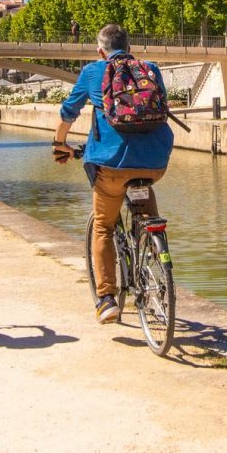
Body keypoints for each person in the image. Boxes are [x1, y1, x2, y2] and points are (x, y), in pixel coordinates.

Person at [52, 24, 173, 324]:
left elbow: (68, 112)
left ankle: (106, 299)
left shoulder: (94, 72)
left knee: (104, 226)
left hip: (111, 165)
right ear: (129, 47)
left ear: (100, 50)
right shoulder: (151, 69)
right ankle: (153, 250)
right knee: (146, 208)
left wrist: (59, 143)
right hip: (155, 162)